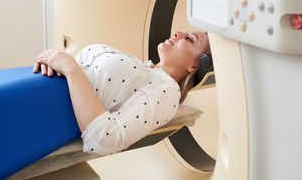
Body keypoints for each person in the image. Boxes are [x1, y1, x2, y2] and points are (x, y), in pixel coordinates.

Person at [32, 30, 210, 156]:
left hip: (39, 109)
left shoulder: (167, 91)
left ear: (194, 66)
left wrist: (71, 68)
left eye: (189, 39)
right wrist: (55, 61)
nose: (178, 33)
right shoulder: (144, 68)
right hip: (32, 83)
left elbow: (106, 140)